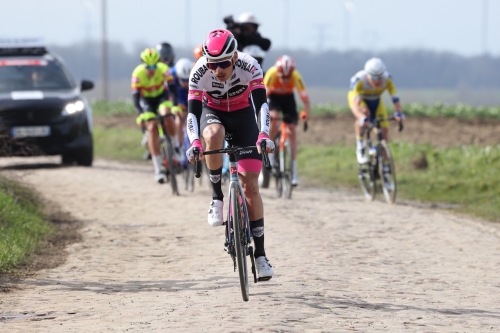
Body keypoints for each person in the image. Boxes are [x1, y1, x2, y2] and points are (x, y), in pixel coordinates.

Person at [185, 29, 274, 281]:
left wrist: (264, 135)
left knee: (251, 187)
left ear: (234, 56)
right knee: (212, 135)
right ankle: (217, 198)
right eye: (213, 64)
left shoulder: (250, 65)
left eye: (224, 63)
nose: (218, 69)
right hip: (213, 113)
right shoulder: (200, 71)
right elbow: (192, 114)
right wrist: (194, 141)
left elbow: (262, 105)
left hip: (245, 116)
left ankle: (260, 255)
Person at [348, 57, 404, 187]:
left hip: (376, 102)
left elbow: (396, 100)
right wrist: (362, 118)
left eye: (380, 77)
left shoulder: (388, 79)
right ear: (367, 75)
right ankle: (360, 146)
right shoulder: (359, 80)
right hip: (360, 101)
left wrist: (399, 113)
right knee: (364, 115)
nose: (377, 81)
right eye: (373, 78)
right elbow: (355, 106)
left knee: (384, 136)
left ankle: (385, 173)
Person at [131, 47, 177, 183]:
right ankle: (158, 169)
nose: (151, 69)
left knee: (167, 115)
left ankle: (175, 147)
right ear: (143, 64)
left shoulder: (163, 69)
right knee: (151, 128)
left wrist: (174, 106)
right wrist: (140, 114)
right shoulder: (137, 73)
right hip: (146, 101)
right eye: (148, 66)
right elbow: (135, 98)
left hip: (161, 97)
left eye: (154, 66)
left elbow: (173, 89)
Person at [264, 55, 311, 186]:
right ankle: (270, 153)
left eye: (287, 77)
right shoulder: (271, 74)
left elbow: (306, 101)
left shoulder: (296, 76)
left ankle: (294, 171)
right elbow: (262, 98)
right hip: (273, 97)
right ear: (278, 73)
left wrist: (305, 112)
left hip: (288, 99)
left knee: (292, 130)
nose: (285, 80)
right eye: (282, 77)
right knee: (273, 119)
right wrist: (265, 114)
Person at [168, 57, 194, 161]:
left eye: (187, 80)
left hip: (191, 92)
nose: (185, 82)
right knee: (179, 119)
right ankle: (178, 146)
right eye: (183, 80)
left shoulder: (194, 70)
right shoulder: (171, 75)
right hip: (178, 96)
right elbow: (170, 94)